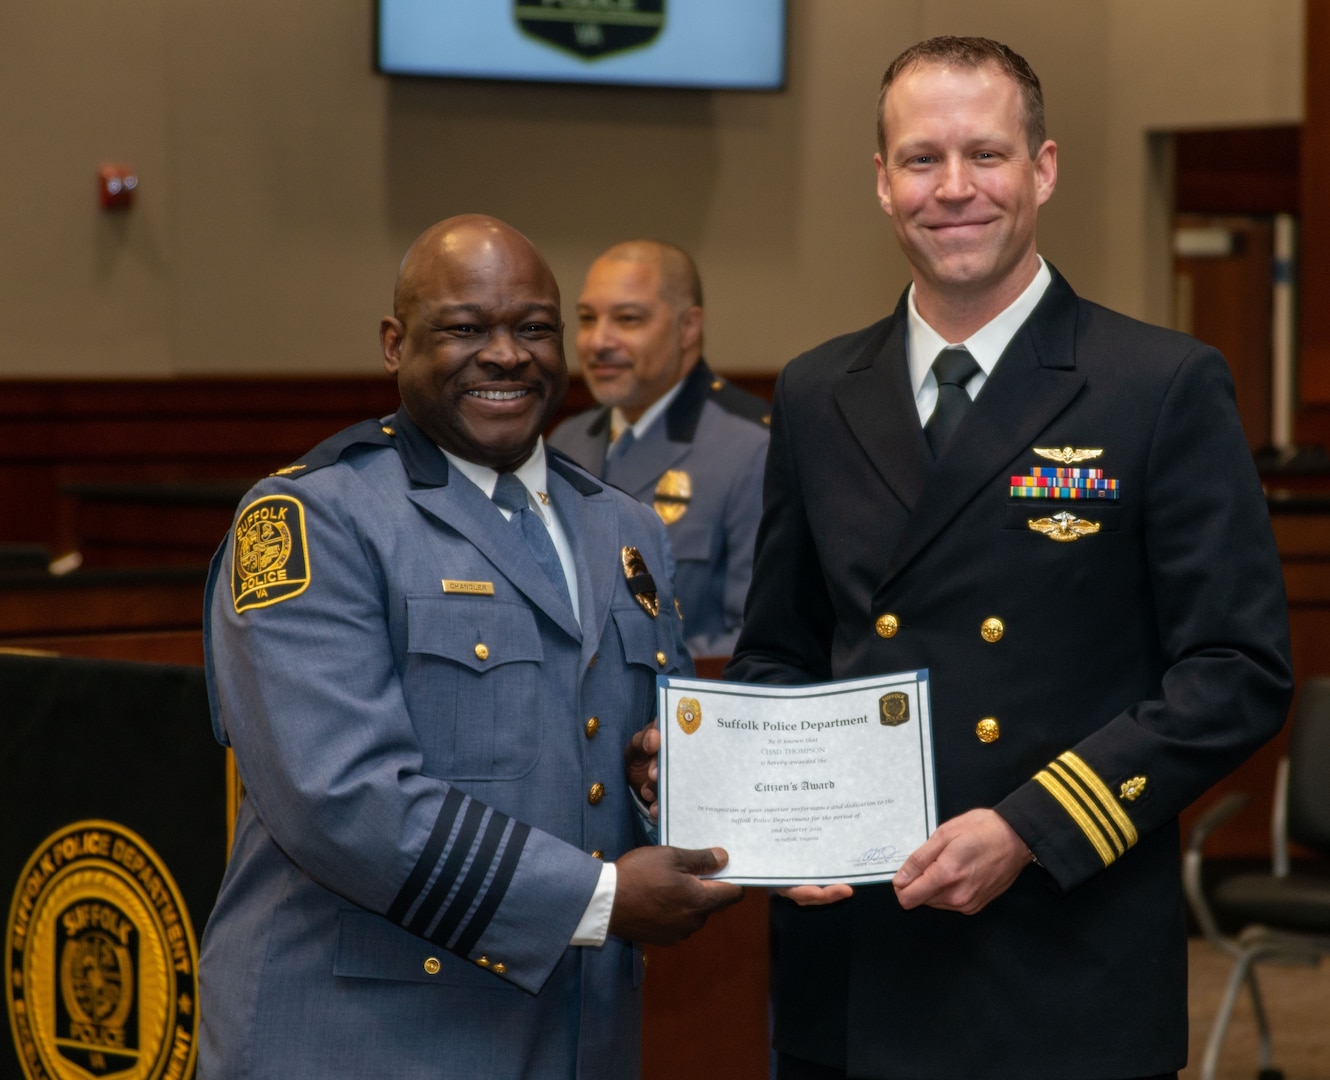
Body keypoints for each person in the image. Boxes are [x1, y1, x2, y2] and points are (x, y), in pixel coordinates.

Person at [724, 36, 1293, 1080]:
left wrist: (1030, 827)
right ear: (882, 181)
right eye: (920, 159)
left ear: (1042, 170)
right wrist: (783, 830)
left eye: (984, 156)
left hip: (1059, 958)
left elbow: (1235, 672)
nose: (953, 190)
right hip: (855, 966)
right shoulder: (814, 391)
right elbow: (779, 655)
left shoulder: (1155, 384)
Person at [197, 214, 743, 1079]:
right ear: (393, 344)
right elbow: (340, 798)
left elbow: (620, 754)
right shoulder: (315, 519)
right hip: (369, 1038)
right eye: (465, 328)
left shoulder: (624, 525)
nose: (506, 355)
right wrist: (599, 899)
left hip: (575, 1035)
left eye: (533, 328)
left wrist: (662, 789)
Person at [549, 240, 769, 658]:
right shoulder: (566, 441)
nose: (598, 341)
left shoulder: (751, 448)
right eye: (587, 319)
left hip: (682, 710)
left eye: (628, 319)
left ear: (688, 327)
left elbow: (758, 640)